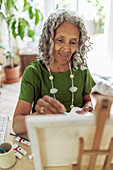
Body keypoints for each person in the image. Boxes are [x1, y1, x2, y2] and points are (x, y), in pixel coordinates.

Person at [13, 9, 96, 135]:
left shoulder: (81, 68)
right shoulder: (33, 73)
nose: (67, 48)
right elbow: (17, 125)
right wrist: (41, 116)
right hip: (46, 135)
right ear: (49, 40)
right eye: (60, 40)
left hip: (76, 134)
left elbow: (87, 100)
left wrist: (88, 106)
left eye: (73, 42)